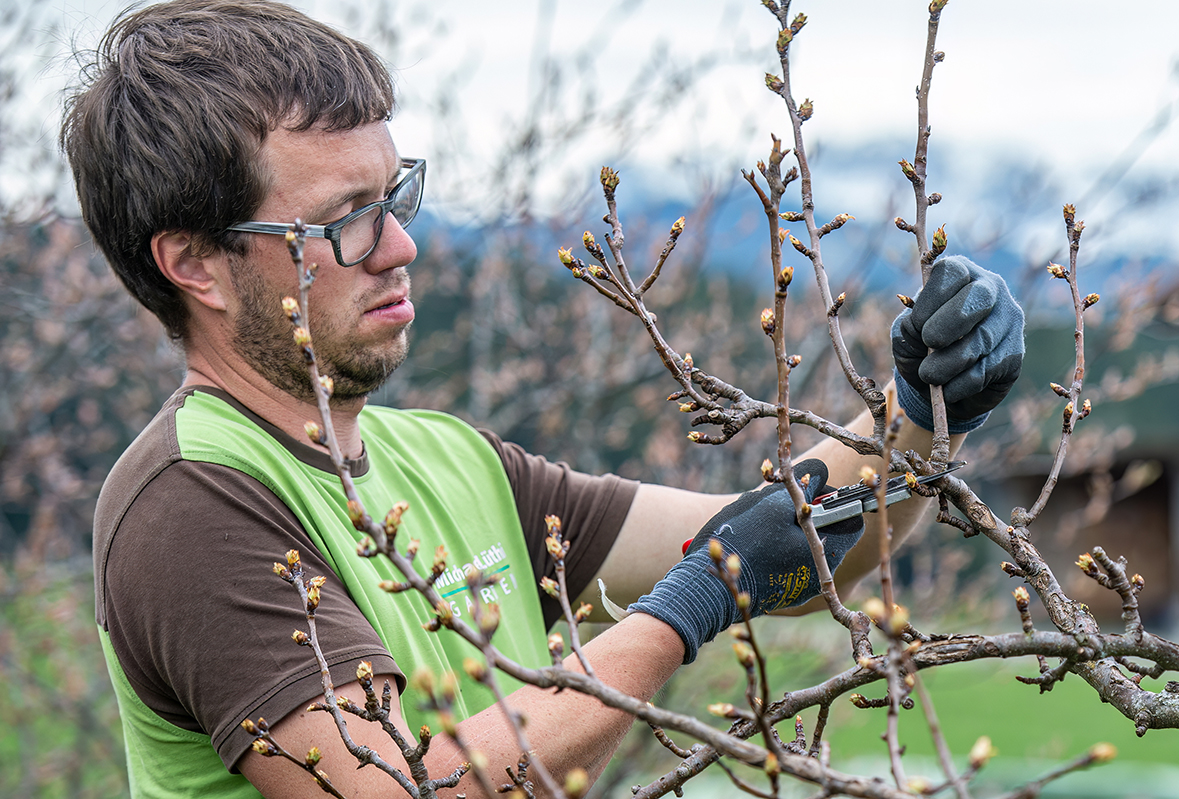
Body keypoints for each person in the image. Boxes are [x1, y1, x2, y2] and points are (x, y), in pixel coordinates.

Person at [63, 1, 1025, 796]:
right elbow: (395, 789)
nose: (399, 247)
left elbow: (798, 555)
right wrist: (695, 600)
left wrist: (921, 409)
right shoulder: (190, 506)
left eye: (392, 199)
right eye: (340, 223)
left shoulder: (444, 459)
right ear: (196, 264)